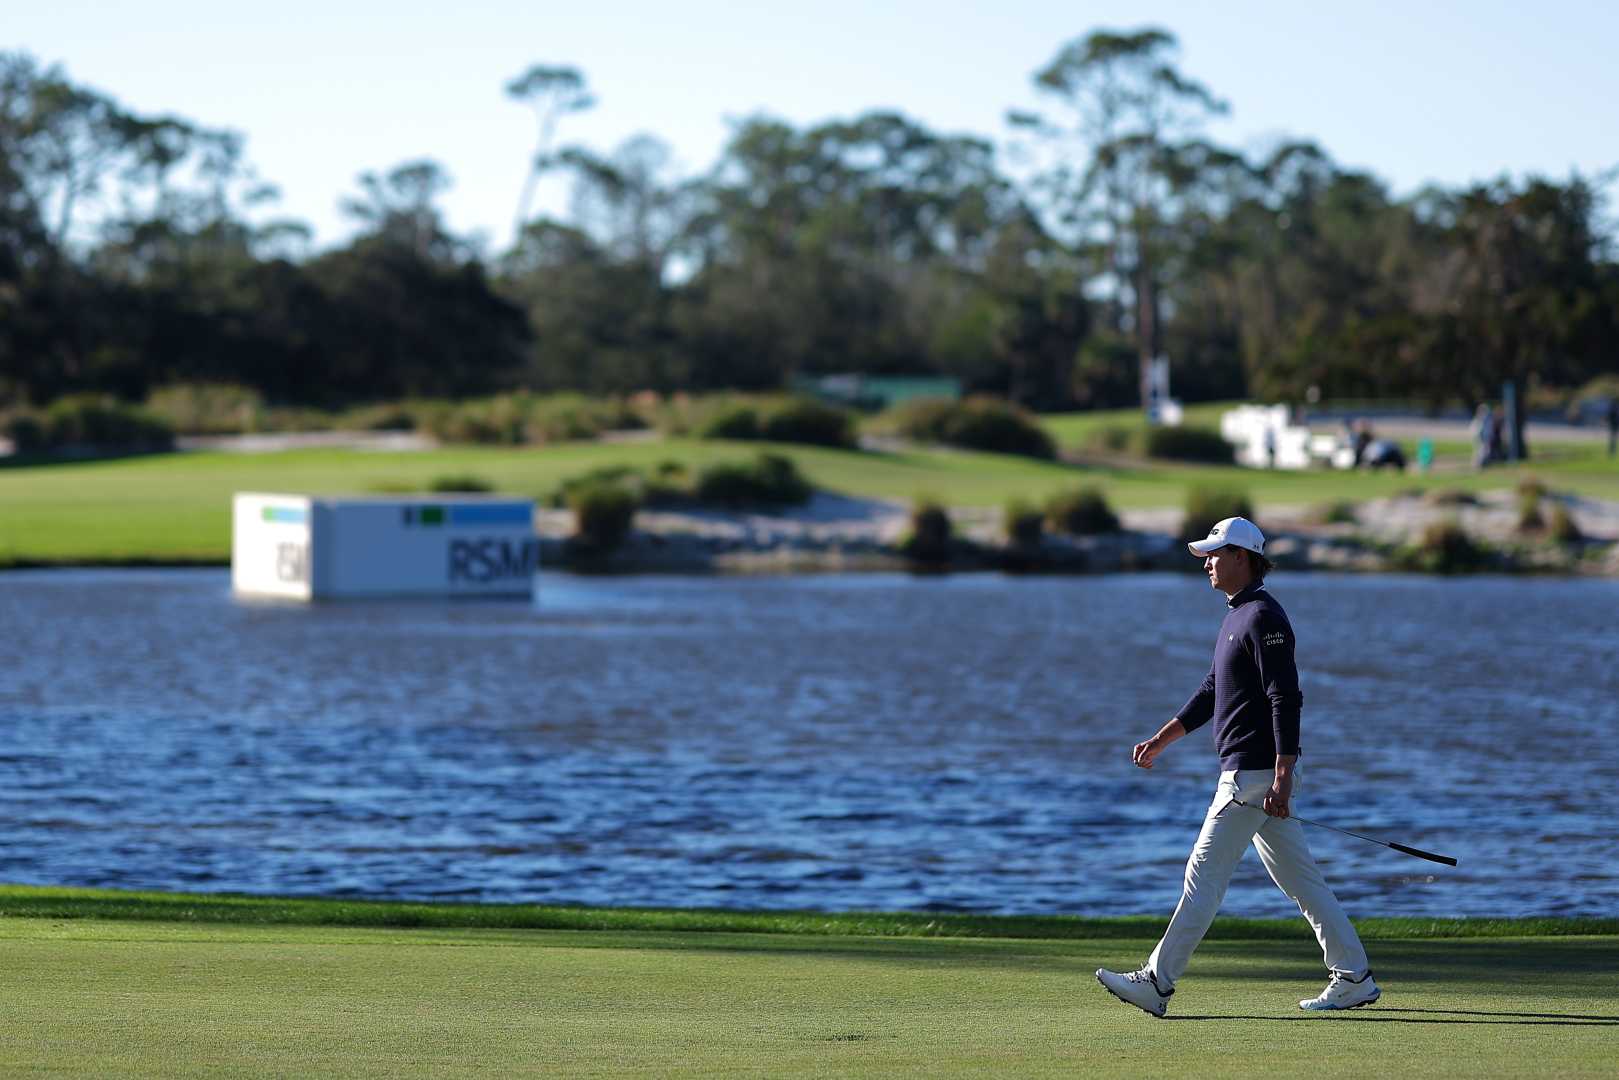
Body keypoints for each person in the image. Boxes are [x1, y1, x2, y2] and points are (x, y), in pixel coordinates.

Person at [1095, 516, 1377, 1017]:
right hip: (1256, 774)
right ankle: (1353, 976)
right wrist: (1163, 739)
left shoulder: (1265, 618)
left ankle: (1156, 983)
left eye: (1215, 554)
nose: (1207, 563)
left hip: (1254, 775)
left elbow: (1285, 698)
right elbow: (1212, 691)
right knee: (1303, 882)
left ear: (1242, 557)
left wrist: (1283, 776)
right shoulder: (1238, 615)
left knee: (1202, 875)